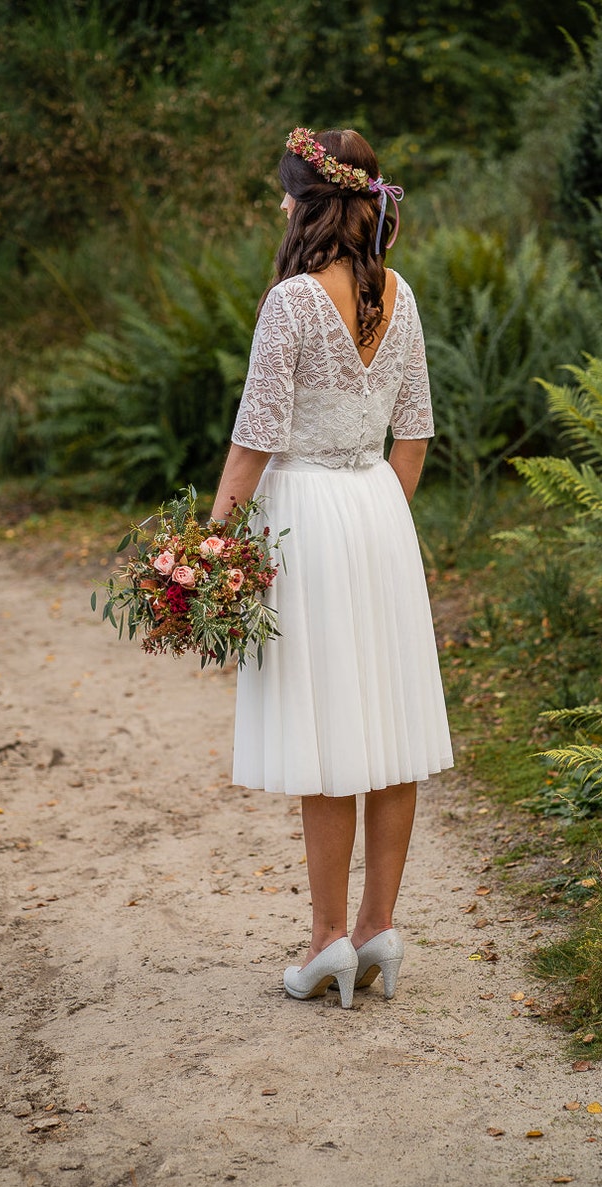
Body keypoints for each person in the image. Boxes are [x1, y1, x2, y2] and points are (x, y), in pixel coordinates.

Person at [210, 127, 453, 1009]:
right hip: (380, 515)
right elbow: (415, 436)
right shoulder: (404, 297)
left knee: (326, 737)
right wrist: (374, 519)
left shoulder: (291, 303)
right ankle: (379, 924)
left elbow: (252, 445)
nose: (279, 206)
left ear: (310, 203)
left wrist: (211, 547)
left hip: (306, 518)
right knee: (386, 728)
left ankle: (325, 942)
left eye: (285, 193)